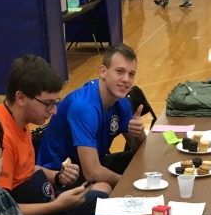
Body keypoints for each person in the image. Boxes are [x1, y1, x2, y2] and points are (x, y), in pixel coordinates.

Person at [0, 54, 112, 215]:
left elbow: (27, 169)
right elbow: (1, 214)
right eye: (48, 104)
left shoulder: (21, 120)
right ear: (21, 98)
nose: (54, 111)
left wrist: (57, 176)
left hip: (43, 203)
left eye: (55, 103)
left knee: (105, 204)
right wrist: (56, 205)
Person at [36, 44, 146, 187]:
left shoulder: (121, 102)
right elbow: (92, 173)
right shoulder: (85, 107)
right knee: (103, 188)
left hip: (86, 165)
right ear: (103, 72)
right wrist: (128, 183)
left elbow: (139, 149)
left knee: (143, 161)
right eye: (120, 71)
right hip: (58, 177)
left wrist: (139, 133)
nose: (126, 79)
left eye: (131, 74)